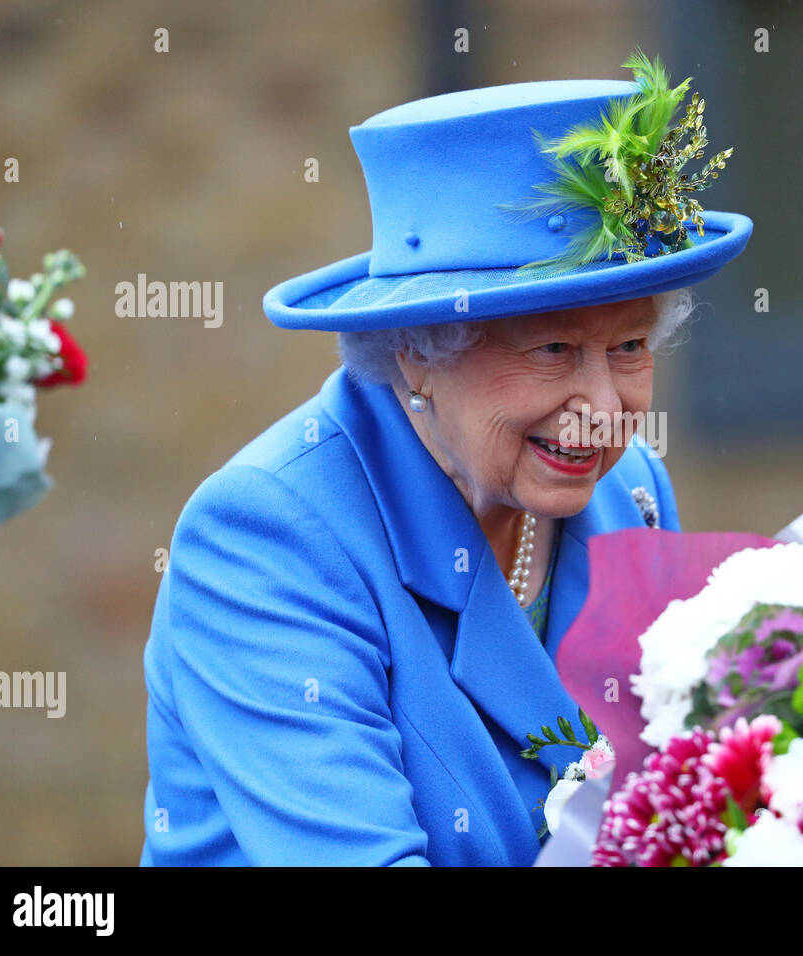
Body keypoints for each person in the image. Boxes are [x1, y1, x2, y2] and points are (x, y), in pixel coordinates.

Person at [140, 64, 752, 865]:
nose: (604, 406)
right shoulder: (268, 538)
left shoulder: (630, 491)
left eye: (630, 345)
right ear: (417, 354)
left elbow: (678, 804)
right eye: (554, 349)